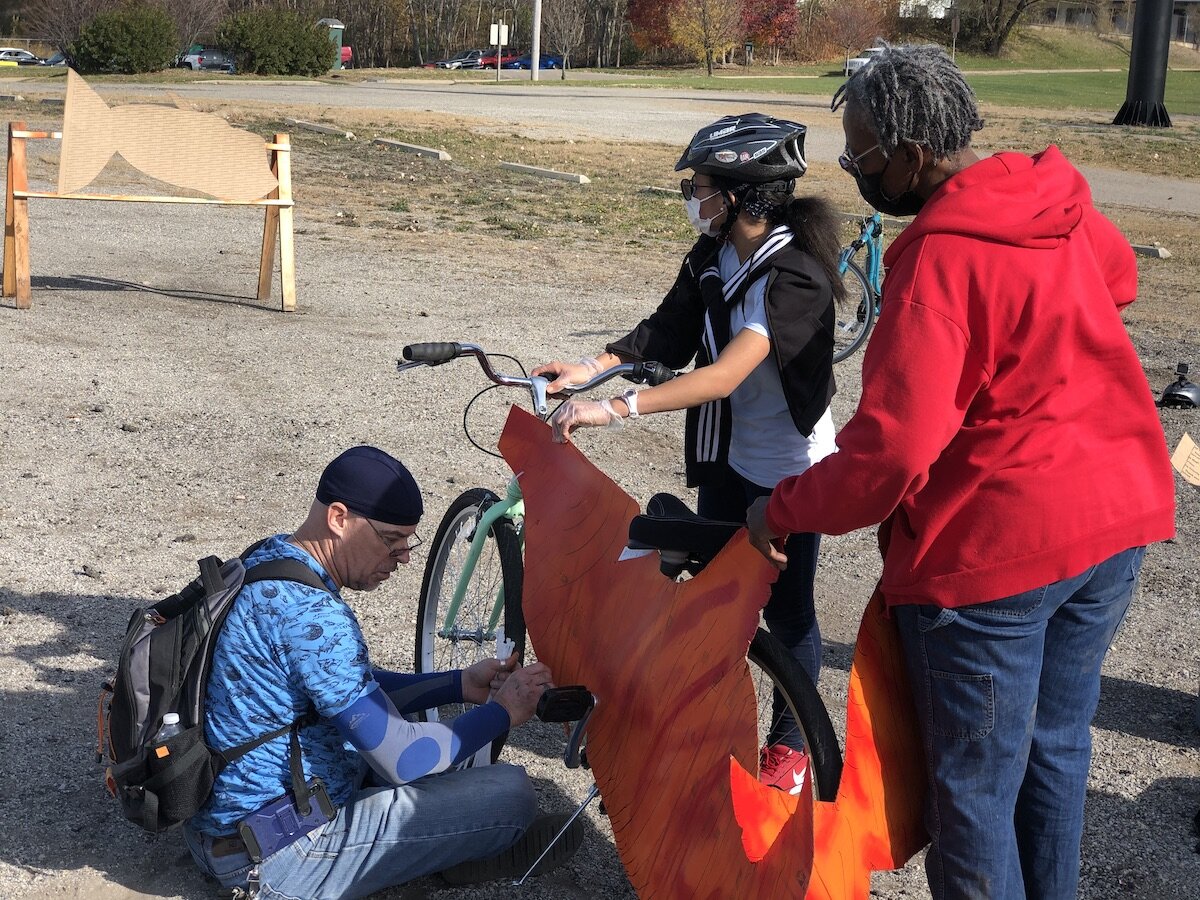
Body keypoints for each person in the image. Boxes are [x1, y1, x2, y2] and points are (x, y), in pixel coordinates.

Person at [745, 44, 1176, 900]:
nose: (853, 169)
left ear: (910, 155)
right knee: (1055, 752)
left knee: (974, 799)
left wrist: (783, 510)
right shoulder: (1052, 199)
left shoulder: (937, 263)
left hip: (998, 554)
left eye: (860, 151)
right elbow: (1117, 280)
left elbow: (889, 456)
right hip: (1115, 517)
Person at [533, 112, 845, 791]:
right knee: (715, 600)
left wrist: (616, 408)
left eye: (700, 186)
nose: (692, 199)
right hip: (734, 455)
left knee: (787, 611)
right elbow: (667, 331)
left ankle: (790, 751)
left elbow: (726, 373)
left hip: (792, 470)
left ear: (742, 192)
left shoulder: (793, 275)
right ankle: (706, 726)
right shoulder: (715, 255)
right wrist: (590, 367)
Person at [183, 445, 580, 899]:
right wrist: (503, 713)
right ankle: (440, 859)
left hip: (229, 827)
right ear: (338, 517)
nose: (404, 557)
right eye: (391, 541)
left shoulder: (269, 561)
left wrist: (456, 684)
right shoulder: (311, 616)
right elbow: (404, 761)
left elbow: (352, 686)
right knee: (511, 794)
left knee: (404, 731)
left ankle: (430, 851)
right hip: (278, 858)